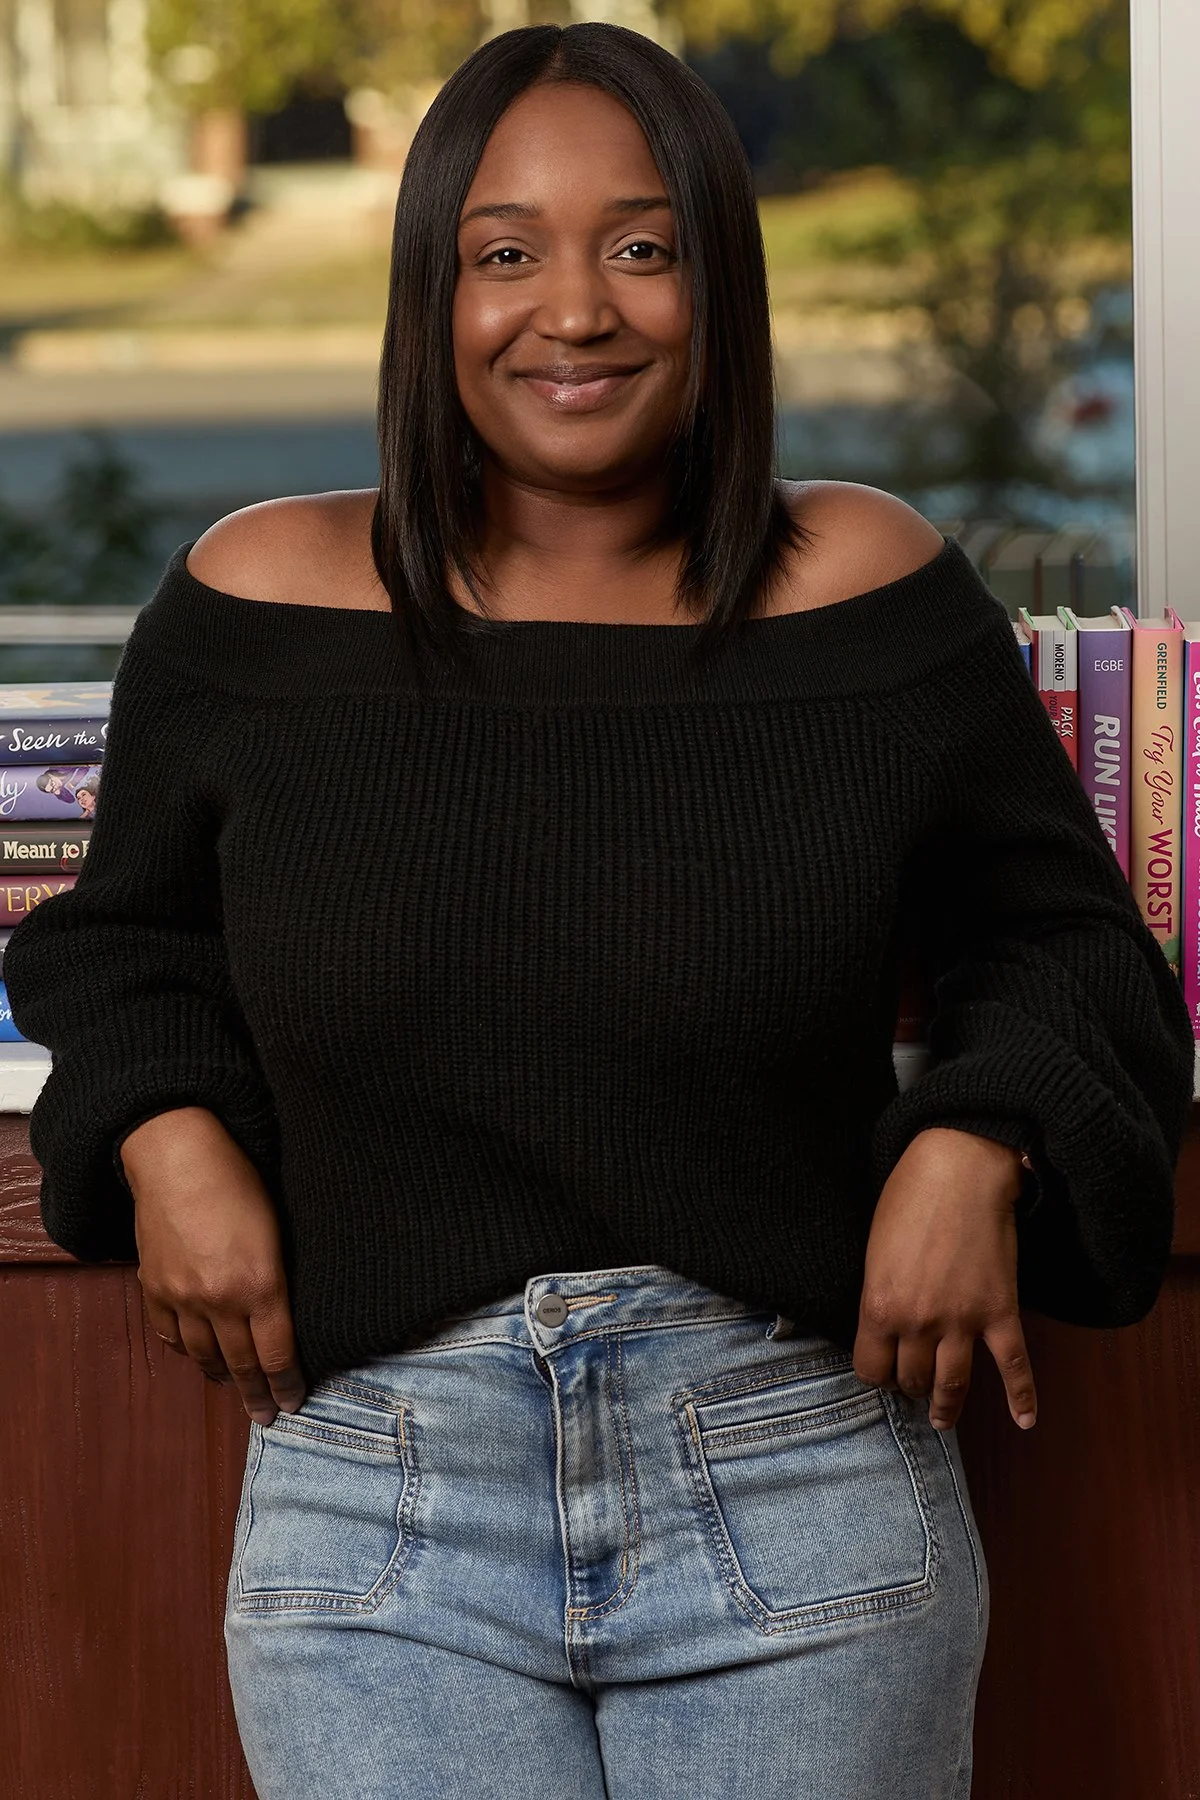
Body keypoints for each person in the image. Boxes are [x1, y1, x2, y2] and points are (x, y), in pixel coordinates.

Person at [5, 22, 1193, 1800]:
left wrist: (980, 1141)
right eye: (506, 254)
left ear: (720, 285)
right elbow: (121, 944)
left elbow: (1076, 950)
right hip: (376, 1497)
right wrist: (166, 1129)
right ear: (432, 295)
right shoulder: (257, 601)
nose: (577, 311)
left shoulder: (870, 593)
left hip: (799, 1476)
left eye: (642, 247)